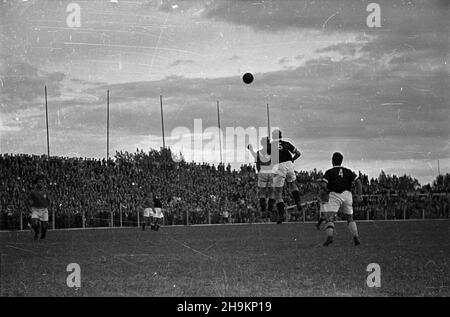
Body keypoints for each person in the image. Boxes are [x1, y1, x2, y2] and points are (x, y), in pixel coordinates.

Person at [319, 152, 362, 246]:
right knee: (350, 218)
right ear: (341, 161)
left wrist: (327, 191)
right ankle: (356, 238)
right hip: (347, 195)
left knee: (330, 218)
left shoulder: (329, 172)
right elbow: (358, 181)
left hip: (334, 194)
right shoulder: (347, 171)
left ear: (332, 161)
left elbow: (323, 185)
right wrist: (360, 195)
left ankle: (329, 237)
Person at [270, 129, 302, 224]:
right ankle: (298, 202)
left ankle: (282, 214)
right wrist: (292, 160)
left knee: (278, 193)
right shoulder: (287, 143)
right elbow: (298, 153)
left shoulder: (271, 145)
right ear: (281, 136)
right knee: (292, 184)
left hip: (279, 165)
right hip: (289, 164)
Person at [247, 136, 275, 220]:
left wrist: (259, 170)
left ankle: (263, 212)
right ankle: (269, 211)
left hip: (262, 171)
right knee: (271, 193)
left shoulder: (259, 152)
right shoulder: (273, 152)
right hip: (270, 171)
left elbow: (257, 163)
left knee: (262, 193)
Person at [29, 174, 50, 240]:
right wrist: (30, 203)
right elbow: (29, 199)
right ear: (37, 183)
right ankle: (37, 232)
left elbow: (49, 200)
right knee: (34, 223)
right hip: (35, 209)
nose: (40, 183)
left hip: (44, 209)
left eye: (41, 182)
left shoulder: (46, 191)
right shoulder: (33, 192)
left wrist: (47, 206)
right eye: (39, 182)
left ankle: (43, 235)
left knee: (44, 227)